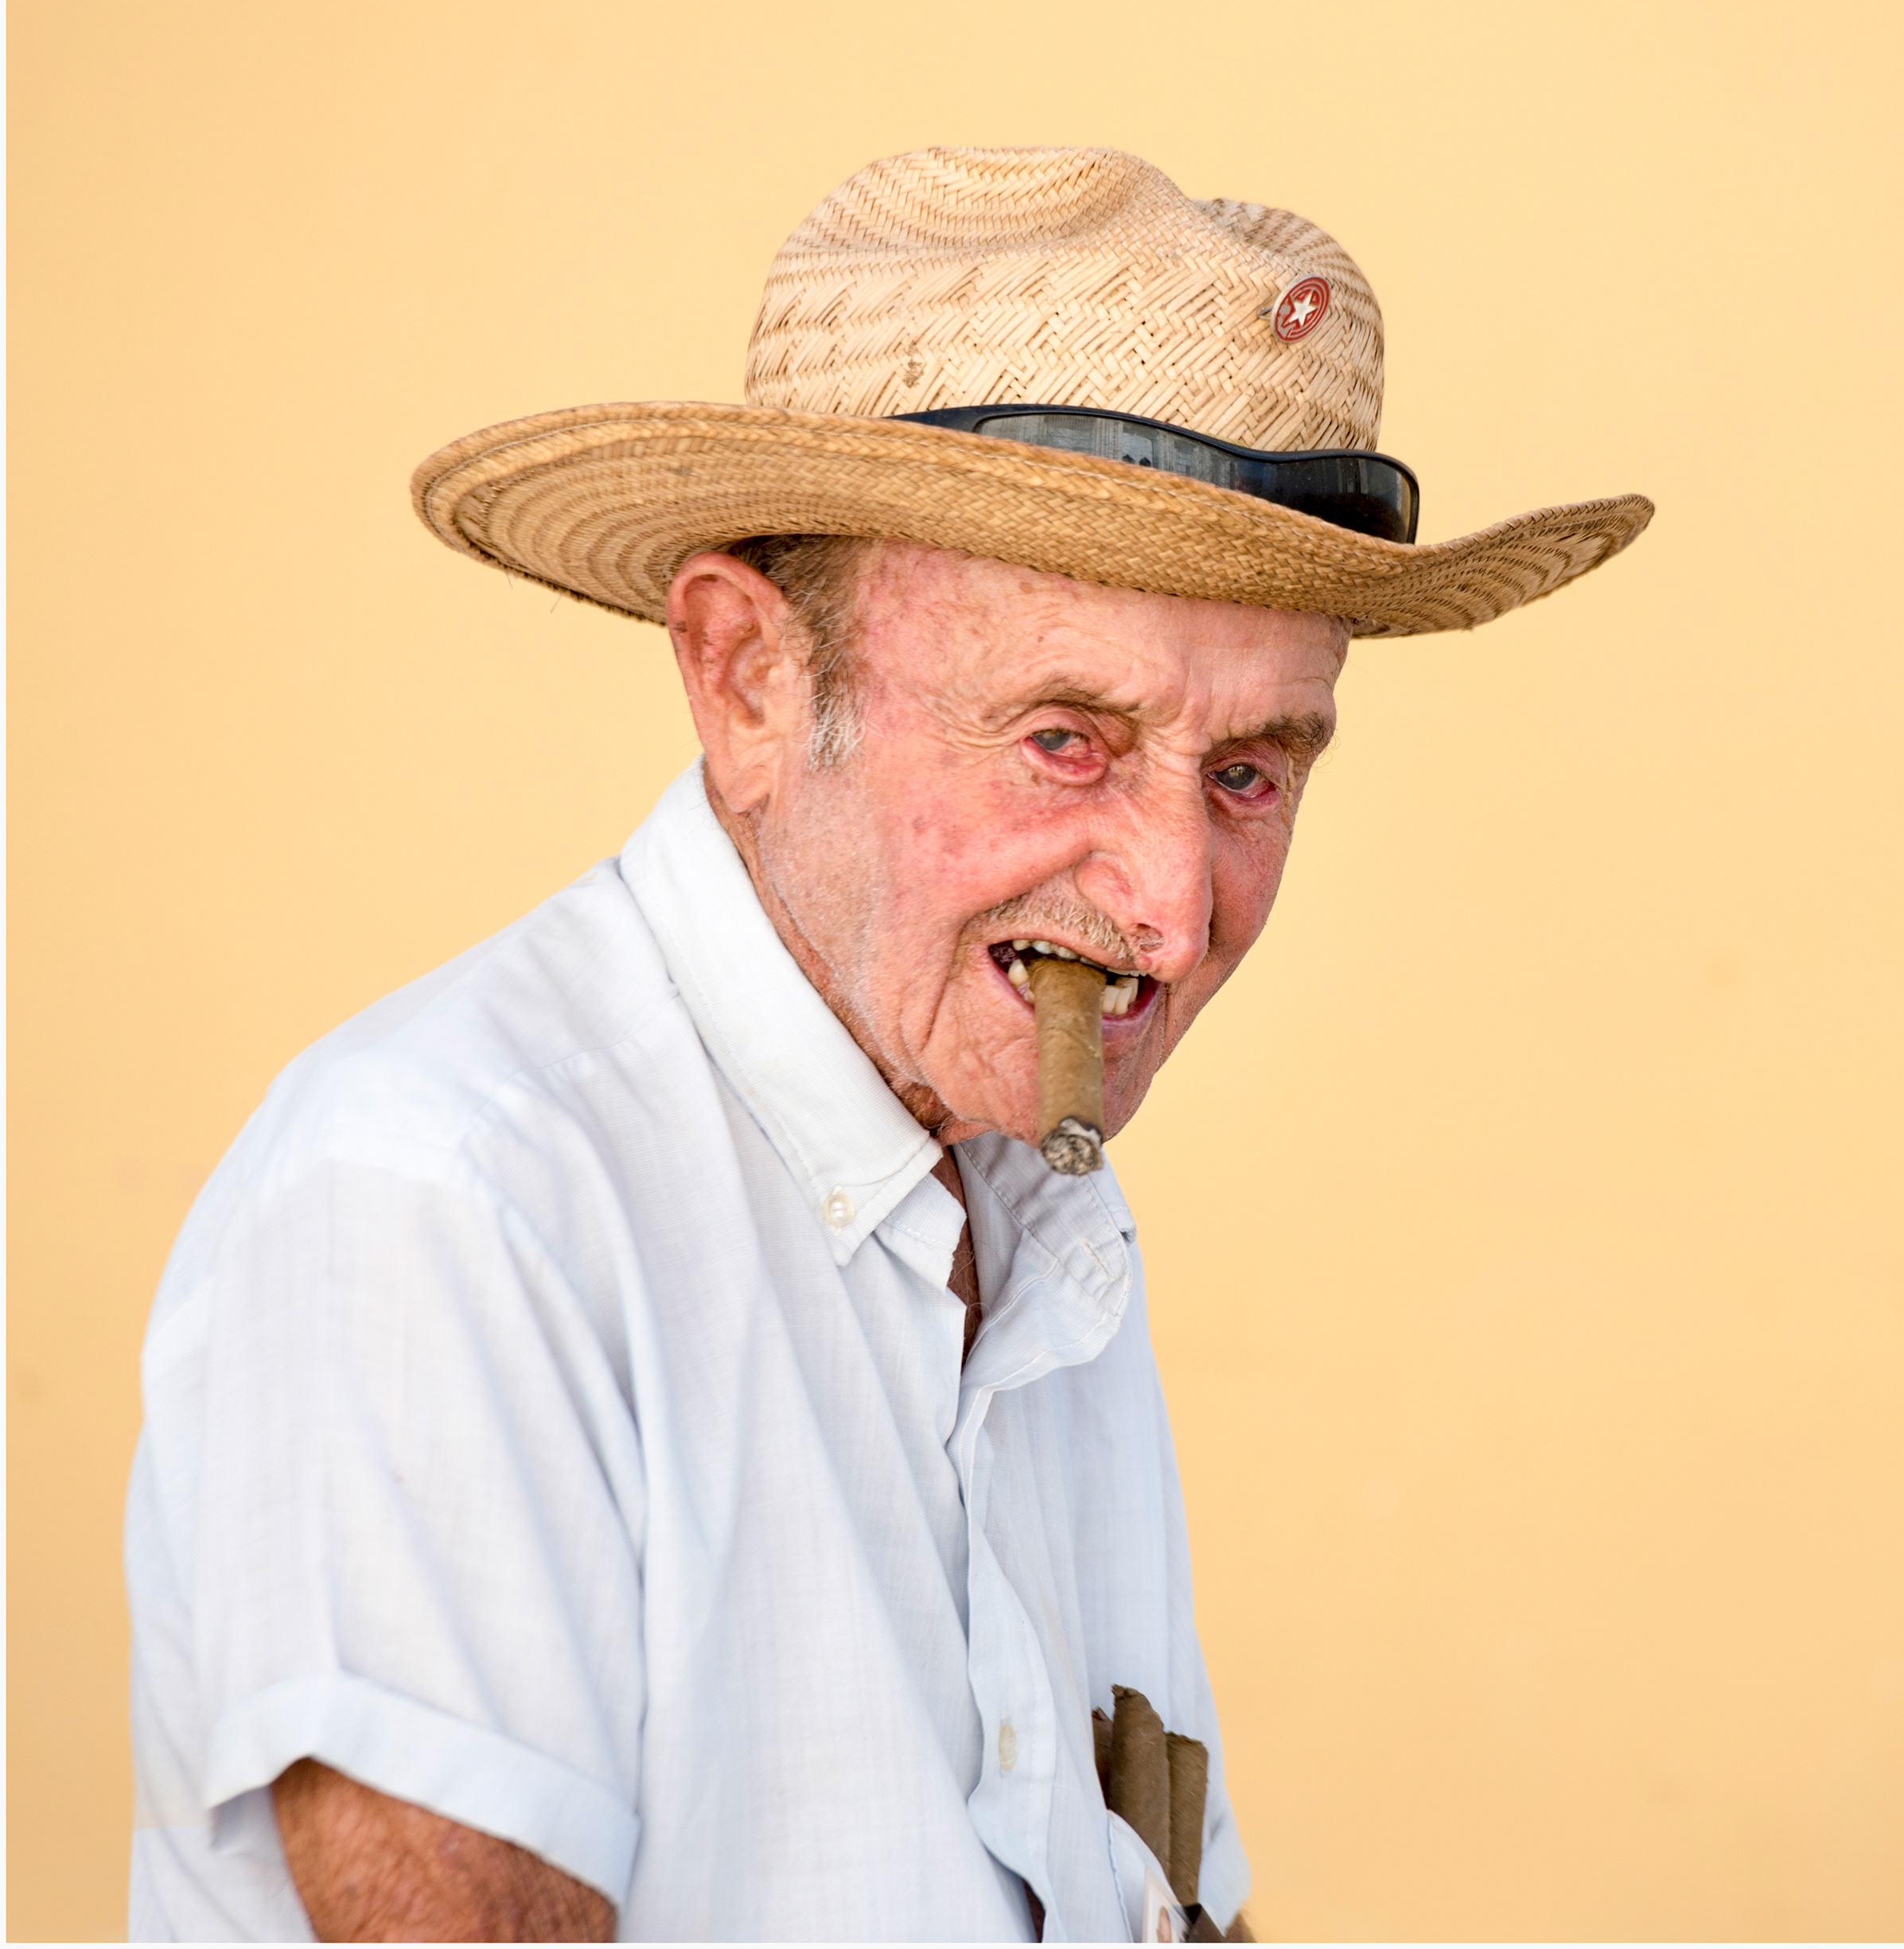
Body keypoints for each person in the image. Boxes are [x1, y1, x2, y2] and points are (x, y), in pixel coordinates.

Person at [123, 145, 1653, 1943]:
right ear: (749, 678)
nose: (1173, 909)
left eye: (1250, 771)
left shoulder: (1034, 1217)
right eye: (1067, 740)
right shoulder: (449, 1197)